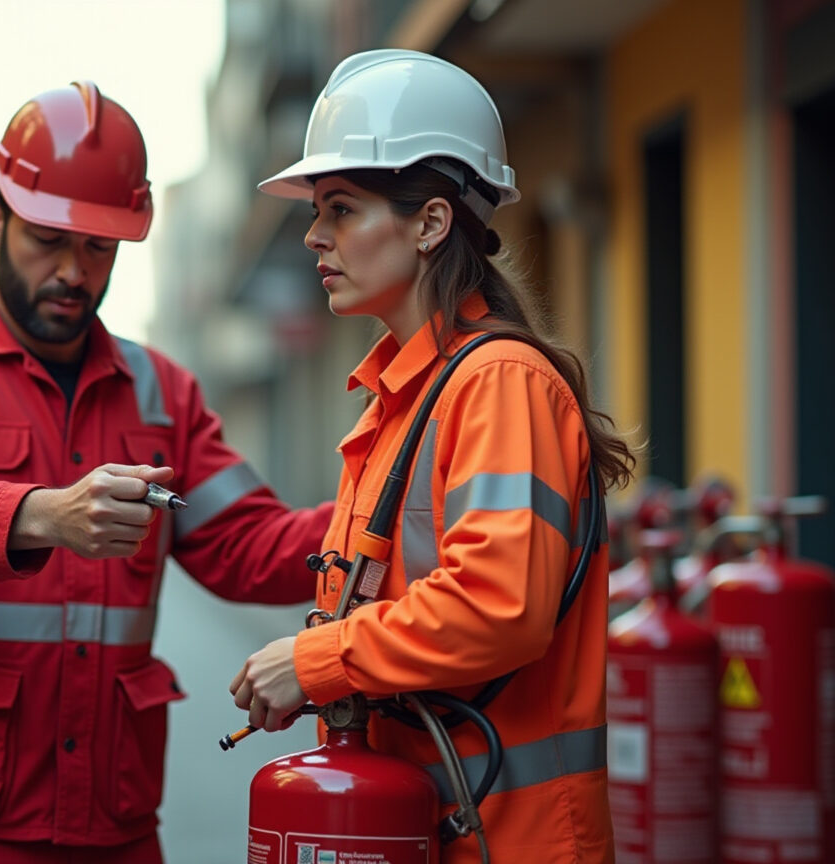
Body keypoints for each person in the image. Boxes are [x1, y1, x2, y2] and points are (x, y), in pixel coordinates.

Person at [0, 81, 333, 864]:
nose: (73, 270)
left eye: (98, 247)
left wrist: (389, 516)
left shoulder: (163, 393)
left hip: (110, 814)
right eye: (47, 240)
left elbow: (250, 544)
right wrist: (40, 516)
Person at [227, 50, 635, 863]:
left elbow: (496, 608)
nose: (315, 235)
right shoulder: (407, 396)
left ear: (431, 223)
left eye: (341, 209)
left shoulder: (498, 383)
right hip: (429, 826)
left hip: (509, 841)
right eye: (319, 211)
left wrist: (316, 662)